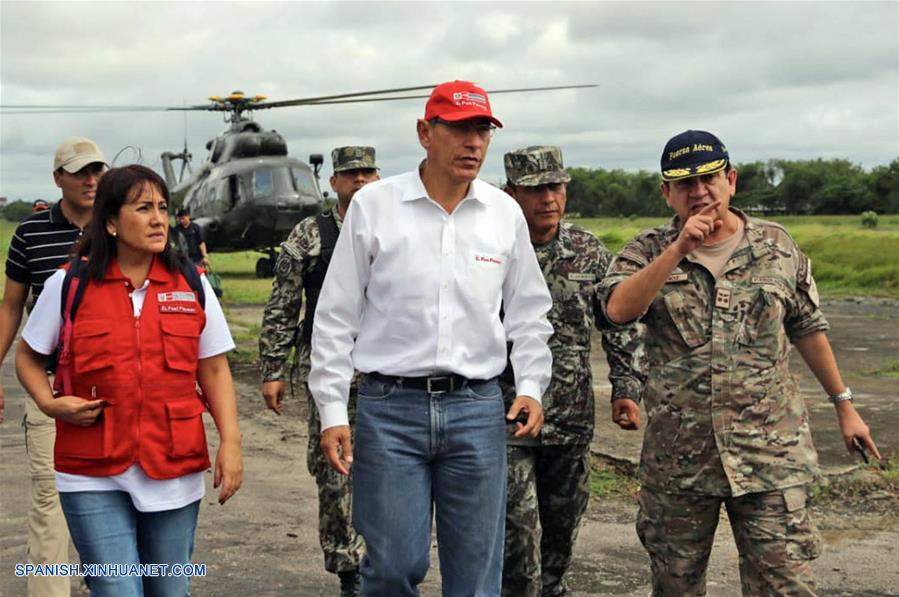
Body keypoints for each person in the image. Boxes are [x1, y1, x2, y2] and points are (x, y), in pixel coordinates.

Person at [600, 130, 881, 596]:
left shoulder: (776, 245)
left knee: (785, 585)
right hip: (680, 460)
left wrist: (844, 405)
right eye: (684, 184)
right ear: (666, 193)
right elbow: (616, 310)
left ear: (730, 180)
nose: (699, 192)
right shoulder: (647, 250)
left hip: (771, 454)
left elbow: (808, 328)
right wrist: (677, 250)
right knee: (675, 585)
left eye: (709, 179)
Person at [308, 80, 554, 597]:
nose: (474, 143)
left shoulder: (503, 213)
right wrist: (332, 410)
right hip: (390, 409)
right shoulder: (375, 206)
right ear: (425, 133)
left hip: (476, 410)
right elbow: (335, 315)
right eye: (460, 129)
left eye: (482, 131)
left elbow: (530, 312)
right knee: (392, 567)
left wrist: (531, 385)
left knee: (476, 575)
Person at [15, 164, 243, 597]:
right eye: (143, 208)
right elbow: (27, 356)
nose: (158, 219)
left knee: (169, 590)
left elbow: (214, 368)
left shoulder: (191, 283)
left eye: (163, 207)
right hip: (91, 469)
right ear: (111, 223)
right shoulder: (69, 284)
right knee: (117, 588)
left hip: (173, 466)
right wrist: (48, 402)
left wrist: (231, 442)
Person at [500, 146, 645, 597]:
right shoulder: (491, 247)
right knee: (515, 530)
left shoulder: (586, 250)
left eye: (556, 187)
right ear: (511, 193)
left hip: (571, 416)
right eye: (536, 189)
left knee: (562, 527)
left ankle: (552, 587)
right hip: (505, 417)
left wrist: (626, 387)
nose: (548, 198)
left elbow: (618, 322)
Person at [259, 145, 379, 597]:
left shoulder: (395, 226)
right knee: (334, 471)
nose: (361, 180)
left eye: (368, 172)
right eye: (351, 174)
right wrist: (273, 366)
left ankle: (383, 561)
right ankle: (349, 568)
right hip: (329, 370)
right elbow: (283, 302)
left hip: (388, 371)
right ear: (334, 183)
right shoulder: (311, 235)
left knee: (389, 471)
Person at [0, 136, 106, 597]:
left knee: (113, 495)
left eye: (97, 171)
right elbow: (11, 307)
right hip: (49, 381)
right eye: (80, 172)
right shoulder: (31, 233)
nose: (91, 180)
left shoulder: (121, 225)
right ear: (58, 178)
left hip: (112, 384)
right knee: (50, 491)